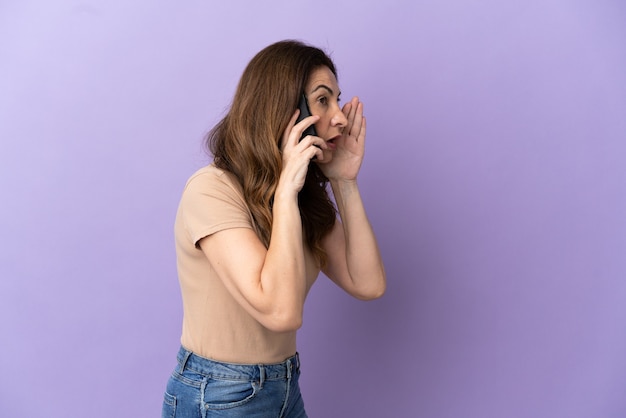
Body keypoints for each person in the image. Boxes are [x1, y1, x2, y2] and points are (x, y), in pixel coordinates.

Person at [161, 40, 386, 418]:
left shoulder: (302, 199)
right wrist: (285, 195)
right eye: (322, 100)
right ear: (285, 110)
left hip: (284, 387)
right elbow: (281, 312)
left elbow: (368, 283)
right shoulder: (211, 190)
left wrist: (344, 182)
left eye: (337, 100)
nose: (341, 118)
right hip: (220, 393)